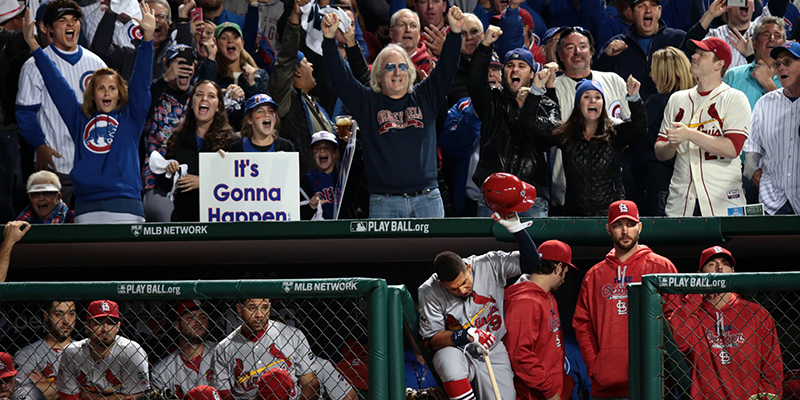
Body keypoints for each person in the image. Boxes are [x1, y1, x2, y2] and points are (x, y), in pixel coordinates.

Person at [322, 8, 466, 219]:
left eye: (402, 67)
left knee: (431, 253)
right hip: (384, 201)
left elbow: (446, 68)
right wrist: (328, 39)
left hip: (428, 199)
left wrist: (455, 32)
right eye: (390, 67)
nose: (397, 72)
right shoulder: (367, 101)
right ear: (378, 75)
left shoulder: (426, 95)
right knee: (387, 254)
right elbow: (340, 78)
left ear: (410, 72)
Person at [21, 3, 154, 223]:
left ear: (120, 94)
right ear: (92, 94)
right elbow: (57, 84)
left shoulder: (131, 118)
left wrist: (147, 41)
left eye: (112, 88)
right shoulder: (79, 119)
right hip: (87, 208)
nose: (106, 93)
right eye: (100, 88)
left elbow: (141, 82)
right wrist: (34, 45)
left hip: (126, 206)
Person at [417, 211, 541, 400]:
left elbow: (532, 263)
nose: (462, 290)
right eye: (454, 289)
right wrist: (464, 336)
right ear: (442, 284)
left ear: (468, 268)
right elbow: (432, 340)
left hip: (493, 348)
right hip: (459, 351)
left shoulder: (488, 264)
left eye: (464, 283)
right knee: (448, 362)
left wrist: (518, 230)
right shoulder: (429, 290)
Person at [573, 200, 678, 399]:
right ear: (608, 229)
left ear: (640, 226)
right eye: (617, 225)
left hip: (653, 382)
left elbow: (676, 319)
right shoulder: (594, 275)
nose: (625, 231)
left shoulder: (661, 266)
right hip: (607, 386)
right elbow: (582, 325)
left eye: (630, 224)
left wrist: (664, 365)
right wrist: (596, 367)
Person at [16, 0, 108, 207]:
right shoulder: (33, 65)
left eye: (75, 20)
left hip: (92, 164)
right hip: (55, 164)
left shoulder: (97, 63)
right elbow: (25, 113)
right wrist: (39, 144)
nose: (70, 25)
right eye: (62, 21)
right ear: (47, 28)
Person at [468, 26, 560, 218]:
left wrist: (533, 99)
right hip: (493, 194)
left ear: (533, 74)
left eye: (521, 66)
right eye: (510, 66)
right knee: (487, 248)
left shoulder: (546, 103)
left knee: (531, 249)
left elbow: (552, 134)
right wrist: (485, 45)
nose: (515, 69)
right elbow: (475, 81)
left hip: (531, 197)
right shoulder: (492, 101)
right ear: (503, 73)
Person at [668, 246, 783, 398]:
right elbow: (676, 343)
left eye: (725, 264)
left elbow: (772, 370)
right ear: (700, 274)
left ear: (733, 273)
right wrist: (696, 293)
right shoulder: (692, 313)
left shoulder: (756, 314)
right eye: (712, 264)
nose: (719, 267)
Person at [654, 38, 750, 217]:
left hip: (723, 203)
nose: (694, 56)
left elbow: (732, 148)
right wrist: (672, 144)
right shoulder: (677, 99)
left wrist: (690, 134)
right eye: (695, 52)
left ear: (718, 64)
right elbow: (660, 152)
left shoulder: (735, 98)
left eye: (702, 54)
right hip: (681, 203)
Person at [551, 26, 633, 213]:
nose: (577, 52)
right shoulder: (553, 87)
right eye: (570, 47)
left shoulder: (614, 80)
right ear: (560, 55)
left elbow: (633, 128)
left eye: (582, 46)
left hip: (611, 190)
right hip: (566, 189)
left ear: (592, 52)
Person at [550, 77, 646, 217]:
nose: (592, 100)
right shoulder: (566, 134)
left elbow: (640, 127)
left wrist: (634, 98)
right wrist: (536, 90)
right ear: (578, 104)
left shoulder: (614, 133)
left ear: (603, 104)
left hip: (610, 215)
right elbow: (532, 124)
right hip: (575, 215)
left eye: (597, 97)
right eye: (586, 96)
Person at [142, 44, 214, 222]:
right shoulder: (155, 94)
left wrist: (211, 60)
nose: (185, 68)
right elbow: (139, 106)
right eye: (179, 63)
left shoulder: (196, 99)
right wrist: (165, 78)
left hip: (193, 182)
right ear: (166, 66)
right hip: (157, 183)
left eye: (189, 64)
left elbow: (212, 97)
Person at [504, 240, 578, 400]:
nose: (565, 276)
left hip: (552, 391)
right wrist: (549, 390)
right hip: (534, 395)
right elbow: (520, 355)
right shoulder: (525, 302)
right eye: (565, 270)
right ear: (558, 267)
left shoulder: (547, 296)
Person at [269, 0, 334, 174]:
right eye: (306, 62)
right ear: (295, 72)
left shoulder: (312, 102)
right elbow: (286, 60)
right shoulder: (285, 101)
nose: (312, 65)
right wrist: (295, 17)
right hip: (301, 181)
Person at [210, 298, 320, 400]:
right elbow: (222, 393)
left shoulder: (293, 335)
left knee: (277, 380)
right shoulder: (223, 348)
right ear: (240, 309)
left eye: (264, 307)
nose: (259, 315)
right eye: (252, 308)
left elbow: (310, 382)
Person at [158, 81, 236, 222]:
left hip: (218, 221)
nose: (204, 99)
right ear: (192, 103)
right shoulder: (178, 138)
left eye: (211, 96)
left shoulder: (231, 141)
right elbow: (163, 185)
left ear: (218, 106)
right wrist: (169, 173)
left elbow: (238, 183)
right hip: (184, 219)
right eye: (199, 95)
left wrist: (203, 182)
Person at [743, 41, 800, 215]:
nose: (781, 68)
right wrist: (760, 179)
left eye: (788, 62)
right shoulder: (764, 104)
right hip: (773, 203)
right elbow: (751, 152)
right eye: (777, 64)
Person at [57, 300, 150, 399]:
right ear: (87, 326)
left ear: (118, 327)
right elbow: (70, 397)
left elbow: (138, 396)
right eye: (99, 323)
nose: (105, 329)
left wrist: (89, 396)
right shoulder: (72, 353)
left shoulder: (131, 351)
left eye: (110, 323)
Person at [595, 0, 686, 101]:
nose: (648, 11)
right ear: (631, 13)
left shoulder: (678, 39)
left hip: (673, 110)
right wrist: (605, 57)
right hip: (628, 112)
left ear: (659, 11)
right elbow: (597, 81)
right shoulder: (616, 45)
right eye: (641, 6)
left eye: (653, 5)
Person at [644, 47, 695, 216]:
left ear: (664, 73)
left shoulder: (656, 102)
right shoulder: (696, 100)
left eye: (654, 69)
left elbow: (637, 138)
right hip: (691, 181)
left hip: (662, 182)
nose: (651, 75)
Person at [91, 0, 194, 80]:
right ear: (139, 24)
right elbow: (101, 48)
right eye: (150, 16)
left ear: (169, 22)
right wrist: (112, 11)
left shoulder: (171, 54)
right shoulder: (130, 55)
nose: (155, 20)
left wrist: (183, 17)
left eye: (160, 16)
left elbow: (185, 55)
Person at [0, 0, 29, 224]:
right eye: (17, 18)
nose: (22, 22)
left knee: (11, 194)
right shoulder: (7, 40)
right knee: (7, 198)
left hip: (9, 128)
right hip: (6, 130)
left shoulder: (10, 42)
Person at [151, 301, 216, 398]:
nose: (198, 321)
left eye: (203, 317)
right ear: (177, 326)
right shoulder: (162, 371)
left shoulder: (223, 353)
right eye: (191, 317)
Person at [14, 301, 77, 400]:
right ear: (47, 316)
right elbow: (23, 395)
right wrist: (79, 384)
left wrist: (48, 386)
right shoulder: (27, 354)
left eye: (71, 314)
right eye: (59, 314)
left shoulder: (88, 351)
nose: (66, 320)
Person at [722, 17, 785, 109]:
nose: (772, 39)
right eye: (766, 35)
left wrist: (767, 82)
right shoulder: (733, 76)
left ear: (783, 45)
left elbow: (791, 114)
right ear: (754, 43)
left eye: (777, 36)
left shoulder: (793, 80)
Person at [228, 94, 295, 153]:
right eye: (260, 111)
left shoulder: (286, 147)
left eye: (271, 111)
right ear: (250, 119)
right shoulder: (237, 148)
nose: (267, 114)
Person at [389, 9, 436, 76]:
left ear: (419, 34)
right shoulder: (381, 65)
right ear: (391, 33)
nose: (408, 30)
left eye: (413, 25)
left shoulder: (432, 66)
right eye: (402, 25)